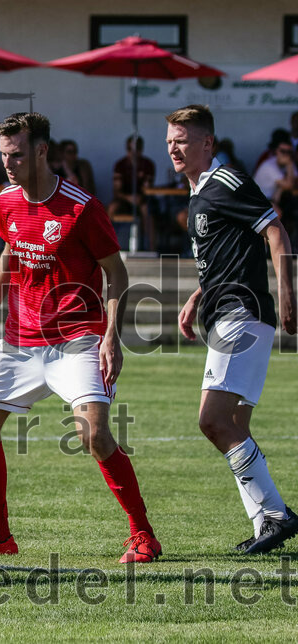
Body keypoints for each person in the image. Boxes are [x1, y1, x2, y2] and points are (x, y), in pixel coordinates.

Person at [0, 113, 160, 564]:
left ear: (42, 151)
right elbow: (11, 252)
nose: (8, 163)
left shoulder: (81, 207)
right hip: (20, 338)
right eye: (4, 154)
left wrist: (112, 336)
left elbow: (117, 272)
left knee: (93, 433)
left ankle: (143, 534)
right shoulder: (7, 200)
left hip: (78, 338)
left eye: (16, 154)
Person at [168, 104, 298, 554]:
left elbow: (274, 230)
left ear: (208, 143)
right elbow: (227, 255)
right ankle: (266, 522)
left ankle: (278, 516)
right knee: (236, 422)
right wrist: (197, 296)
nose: (173, 149)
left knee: (213, 420)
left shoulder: (227, 180)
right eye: (170, 142)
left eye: (182, 141)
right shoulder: (200, 193)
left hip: (240, 314)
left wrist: (287, 293)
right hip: (227, 309)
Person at [252, 138, 297, 237]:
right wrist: (289, 164)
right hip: (258, 201)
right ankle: (269, 248)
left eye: (289, 152)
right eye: (283, 151)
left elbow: (295, 183)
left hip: (273, 200)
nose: (285, 155)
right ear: (276, 151)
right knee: (276, 215)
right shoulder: (270, 165)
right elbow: (289, 185)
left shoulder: (287, 164)